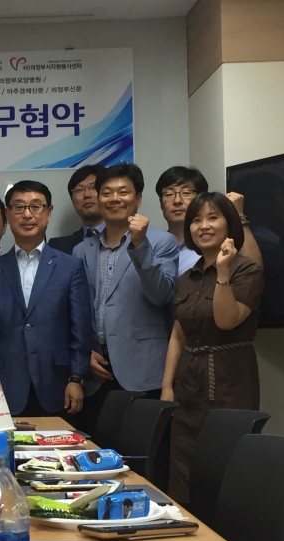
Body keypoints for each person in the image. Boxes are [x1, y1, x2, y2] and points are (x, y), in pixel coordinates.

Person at [161, 192, 263, 503]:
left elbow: (226, 320)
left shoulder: (246, 270)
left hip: (230, 379)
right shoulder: (186, 278)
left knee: (224, 463)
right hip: (188, 382)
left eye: (213, 218)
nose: (203, 226)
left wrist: (222, 271)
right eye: (196, 220)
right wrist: (167, 386)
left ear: (229, 224)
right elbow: (178, 335)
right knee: (182, 466)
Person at [0, 180, 92, 416]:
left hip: (56, 383)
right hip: (4, 384)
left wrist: (77, 378)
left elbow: (81, 329)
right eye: (19, 207)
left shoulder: (70, 266)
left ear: (49, 213)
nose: (27, 215)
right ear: (8, 214)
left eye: (36, 206)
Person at [72, 164, 178, 435]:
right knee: (96, 452)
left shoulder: (162, 241)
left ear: (138, 199)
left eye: (123, 192)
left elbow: (161, 295)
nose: (114, 198)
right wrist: (85, 354)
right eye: (107, 192)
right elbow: (77, 310)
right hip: (96, 372)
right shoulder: (82, 250)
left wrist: (140, 245)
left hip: (142, 371)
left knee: (141, 452)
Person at [155, 166, 263, 275]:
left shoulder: (214, 240)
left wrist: (238, 215)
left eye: (186, 192)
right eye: (168, 194)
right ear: (160, 203)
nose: (177, 201)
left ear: (201, 198)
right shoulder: (154, 245)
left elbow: (252, 273)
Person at [49, 164, 106, 254]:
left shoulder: (127, 240)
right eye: (79, 190)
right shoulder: (57, 248)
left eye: (94, 187)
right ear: (72, 200)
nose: (87, 195)